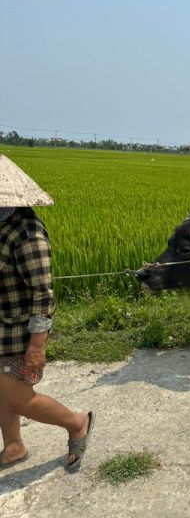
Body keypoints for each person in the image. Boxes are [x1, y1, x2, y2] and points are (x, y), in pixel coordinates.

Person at [0, 155, 94, 472]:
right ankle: (14, 446)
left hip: (19, 334)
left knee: (17, 397)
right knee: (1, 390)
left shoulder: (26, 233)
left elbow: (43, 294)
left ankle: (77, 422)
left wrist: (37, 346)